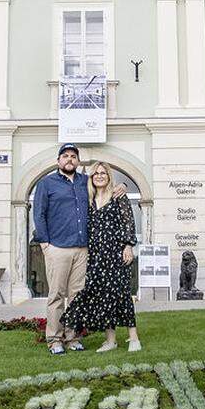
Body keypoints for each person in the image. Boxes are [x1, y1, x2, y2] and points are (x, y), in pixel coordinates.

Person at [31, 143, 122, 355]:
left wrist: (122, 187)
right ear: (58, 161)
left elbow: (104, 188)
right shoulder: (47, 183)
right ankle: (55, 340)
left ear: (78, 161)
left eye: (73, 156)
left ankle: (73, 338)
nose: (69, 159)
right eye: (65, 156)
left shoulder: (84, 181)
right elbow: (39, 215)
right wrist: (45, 244)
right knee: (56, 295)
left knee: (76, 297)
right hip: (57, 248)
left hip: (82, 249)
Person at [63, 162, 142, 352]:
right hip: (96, 255)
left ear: (109, 176)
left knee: (122, 294)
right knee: (103, 297)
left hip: (116, 253)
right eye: (96, 173)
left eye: (103, 173)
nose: (99, 176)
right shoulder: (88, 199)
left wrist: (128, 246)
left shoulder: (118, 196)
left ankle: (133, 338)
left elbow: (128, 222)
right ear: (91, 178)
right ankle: (110, 341)